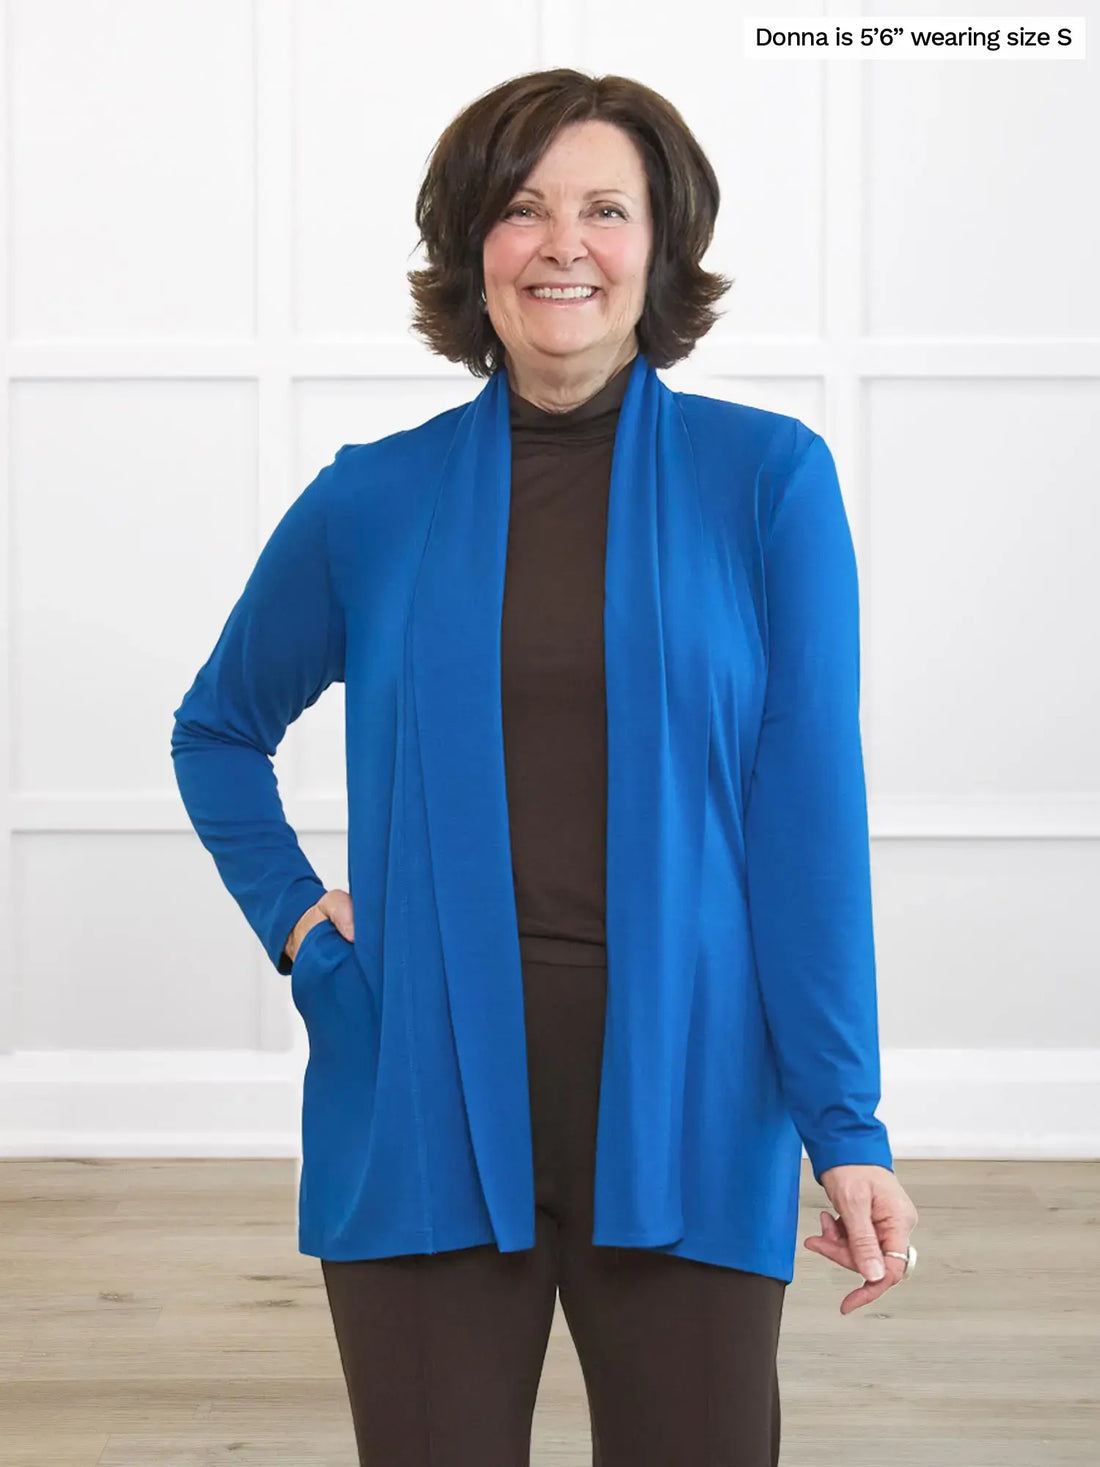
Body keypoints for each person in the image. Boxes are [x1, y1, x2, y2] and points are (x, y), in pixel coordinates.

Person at [171, 67, 919, 1467]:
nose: (563, 244)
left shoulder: (768, 483)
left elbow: (807, 821)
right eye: (522, 209)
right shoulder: (371, 499)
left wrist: (846, 1123)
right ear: (474, 248)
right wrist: (297, 922)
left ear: (661, 245)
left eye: (605, 209)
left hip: (693, 1098)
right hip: (419, 1098)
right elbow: (217, 727)